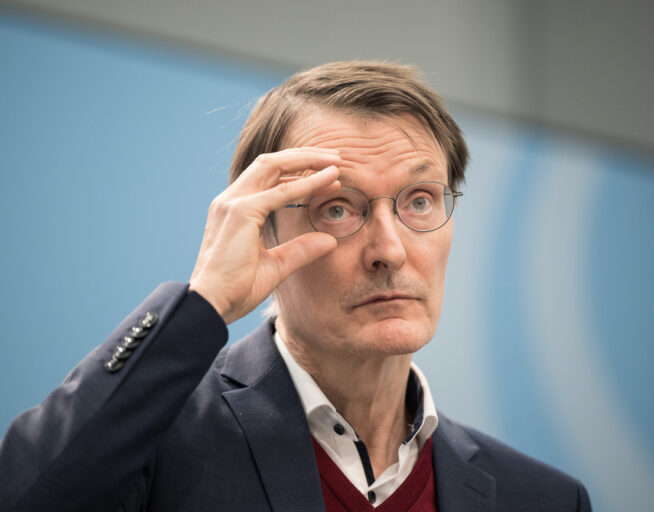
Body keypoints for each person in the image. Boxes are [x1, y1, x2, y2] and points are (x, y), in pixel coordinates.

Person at [0, 61, 591, 511]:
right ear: (264, 230)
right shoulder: (157, 445)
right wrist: (204, 302)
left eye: (419, 200)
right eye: (337, 208)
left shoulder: (541, 498)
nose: (390, 250)